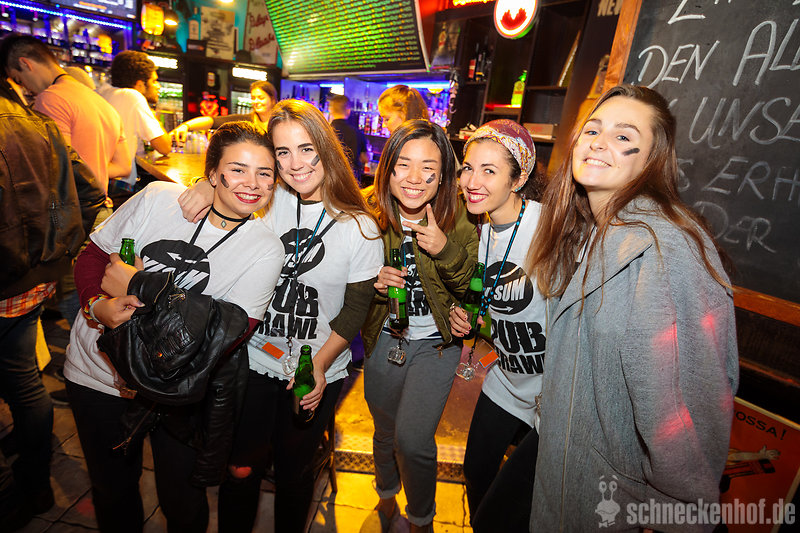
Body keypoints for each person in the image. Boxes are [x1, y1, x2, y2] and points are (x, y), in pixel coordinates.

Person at [527, 85, 738, 531]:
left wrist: (674, 515)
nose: (599, 143)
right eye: (592, 130)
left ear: (652, 160)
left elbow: (687, 406)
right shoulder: (592, 229)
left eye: (624, 137)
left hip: (615, 504)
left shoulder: (665, 248)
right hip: (568, 478)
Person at [63, 121, 284, 533]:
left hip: (175, 394)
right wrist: (97, 307)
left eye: (264, 173)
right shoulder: (158, 199)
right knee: (112, 491)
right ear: (212, 173)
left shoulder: (265, 248)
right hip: (97, 376)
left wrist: (136, 286)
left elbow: (224, 334)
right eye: (237, 169)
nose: (252, 183)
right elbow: (93, 258)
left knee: (182, 503)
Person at [179, 99, 383, 532]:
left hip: (315, 368)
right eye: (283, 152)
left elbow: (355, 311)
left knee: (294, 474)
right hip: (253, 359)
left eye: (306, 148)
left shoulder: (360, 227)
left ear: (326, 147)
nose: (295, 164)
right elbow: (229, 180)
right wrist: (202, 184)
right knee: (240, 469)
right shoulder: (267, 201)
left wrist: (319, 366)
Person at [361, 119, 478, 533]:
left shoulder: (462, 215)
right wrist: (371, 283)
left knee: (412, 440)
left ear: (444, 174)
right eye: (403, 164)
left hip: (436, 346)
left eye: (428, 167)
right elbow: (339, 277)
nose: (414, 178)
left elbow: (474, 285)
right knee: (384, 430)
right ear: (387, 168)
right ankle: (386, 491)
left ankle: (422, 517)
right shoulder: (366, 213)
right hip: (384, 339)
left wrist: (444, 249)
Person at [0, 76, 105, 530]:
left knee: (21, 381)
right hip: (34, 279)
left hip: (7, 276)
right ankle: (35, 483)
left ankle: (17, 488)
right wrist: (58, 246)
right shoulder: (38, 123)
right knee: (25, 380)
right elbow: (88, 193)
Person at [448, 119, 544, 532]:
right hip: (506, 380)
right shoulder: (483, 232)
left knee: (517, 506)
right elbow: (499, 307)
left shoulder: (549, 226)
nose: (473, 181)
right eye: (468, 168)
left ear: (518, 179)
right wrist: (472, 319)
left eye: (489, 171)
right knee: (476, 472)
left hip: (551, 392)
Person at [1, 34, 131, 326]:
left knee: (76, 302)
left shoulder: (51, 100)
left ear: (25, 64)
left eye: (18, 79)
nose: (24, 88)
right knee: (93, 299)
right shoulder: (101, 104)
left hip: (71, 218)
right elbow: (122, 165)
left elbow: (49, 169)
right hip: (103, 212)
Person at [97, 50, 170, 195]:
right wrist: (152, 113)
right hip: (118, 187)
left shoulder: (102, 92)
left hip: (97, 183)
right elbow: (164, 146)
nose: (158, 86)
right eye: (154, 81)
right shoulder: (132, 96)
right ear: (140, 84)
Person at [170, 80, 277, 141]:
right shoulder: (246, 121)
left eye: (261, 98)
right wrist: (186, 126)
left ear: (272, 100)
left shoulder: (279, 122)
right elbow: (213, 121)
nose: (256, 101)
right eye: (253, 98)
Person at [328, 94, 368, 182]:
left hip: (331, 179)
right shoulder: (358, 133)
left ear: (331, 110)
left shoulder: (326, 131)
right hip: (352, 179)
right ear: (348, 110)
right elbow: (364, 158)